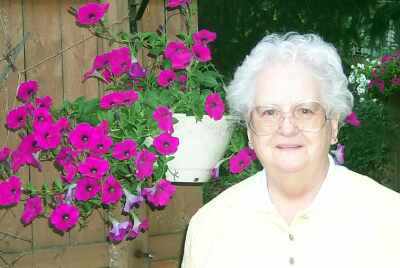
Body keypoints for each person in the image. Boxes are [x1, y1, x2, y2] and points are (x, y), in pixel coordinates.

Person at [181, 32, 400, 268]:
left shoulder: (389, 218)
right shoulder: (210, 227)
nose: (287, 128)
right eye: (269, 112)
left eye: (305, 110)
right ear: (249, 131)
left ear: (333, 124)